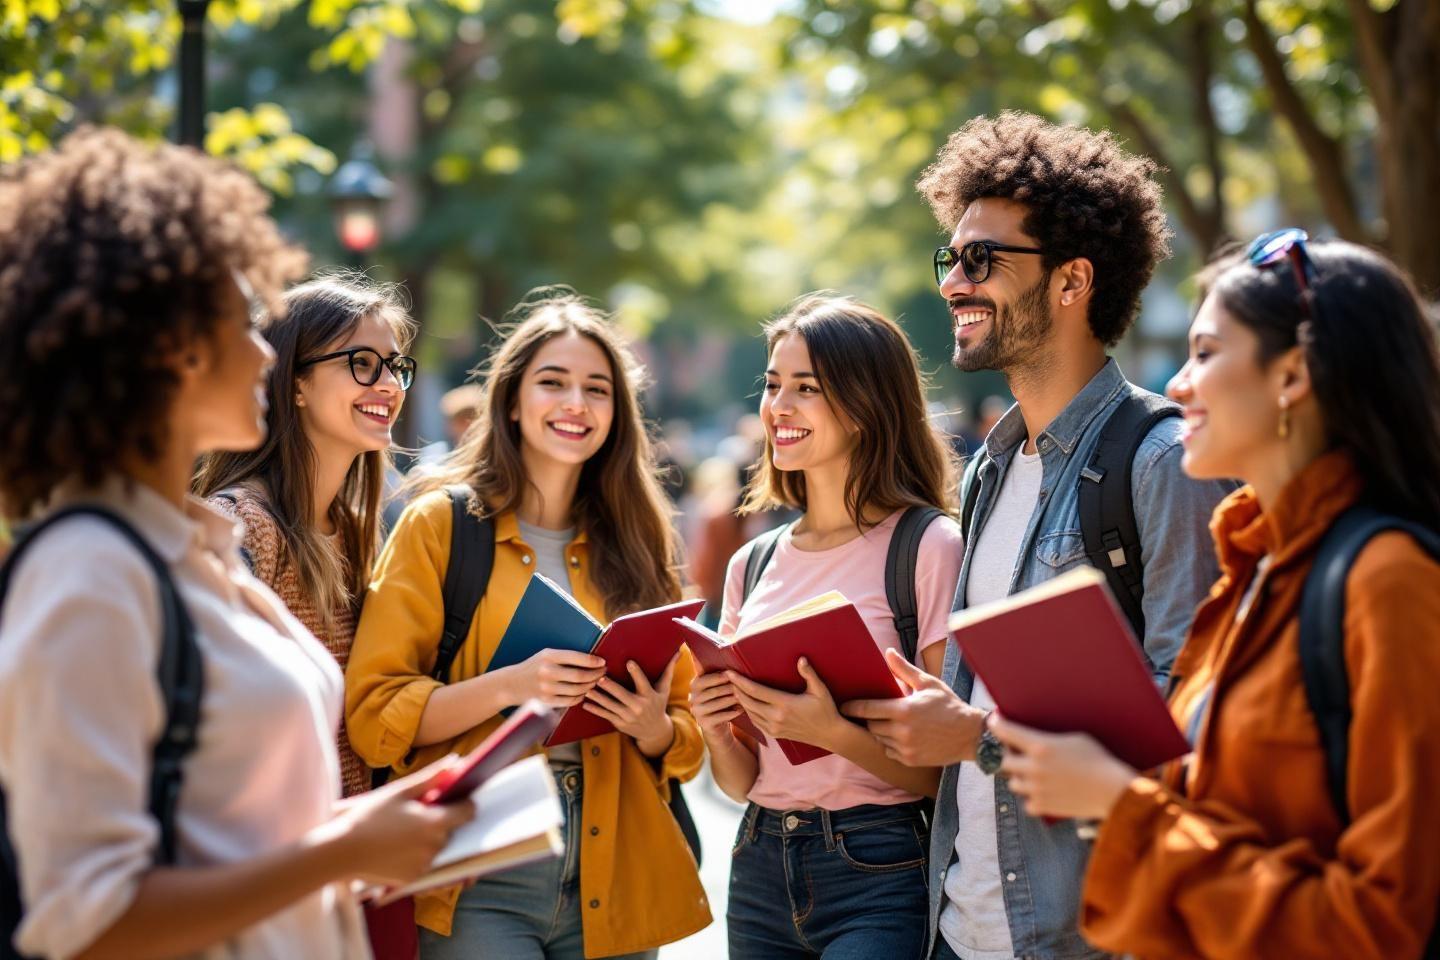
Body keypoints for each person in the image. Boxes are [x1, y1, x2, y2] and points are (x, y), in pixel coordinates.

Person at [0, 127, 470, 960]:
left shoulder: (195, 549)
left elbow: (240, 829)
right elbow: (86, 918)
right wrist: (349, 851)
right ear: (164, 351)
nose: (263, 350)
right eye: (238, 322)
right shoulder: (91, 573)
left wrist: (393, 824)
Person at [842, 111, 1234, 960]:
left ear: (1071, 282)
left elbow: (1198, 739)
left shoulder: (1164, 463)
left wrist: (974, 739)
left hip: (1083, 937)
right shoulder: (988, 467)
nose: (953, 283)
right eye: (952, 257)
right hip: (961, 928)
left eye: (982, 259)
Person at [986, 235, 1440, 959]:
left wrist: (1118, 803)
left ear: (1291, 375)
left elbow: (1380, 925)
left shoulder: (1388, 583)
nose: (1178, 386)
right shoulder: (1251, 569)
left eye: (1205, 354)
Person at [345, 290, 710, 960]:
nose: (576, 403)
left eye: (597, 389)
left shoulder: (640, 542)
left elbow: (686, 743)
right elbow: (375, 717)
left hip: (618, 864)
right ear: (512, 400)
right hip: (479, 862)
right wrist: (513, 686)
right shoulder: (442, 525)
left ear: (616, 414)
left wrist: (651, 726)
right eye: (553, 383)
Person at [689, 294, 964, 959]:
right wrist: (713, 727)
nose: (777, 407)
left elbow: (943, 777)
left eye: (806, 388)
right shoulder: (751, 564)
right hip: (757, 865)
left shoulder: (928, 548)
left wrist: (829, 733)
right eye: (773, 384)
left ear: (866, 403)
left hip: (880, 866)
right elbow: (741, 781)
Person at [195, 274, 418, 800]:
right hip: (268, 855)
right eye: (362, 364)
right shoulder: (239, 527)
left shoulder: (360, 532)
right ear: (294, 382)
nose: (388, 385)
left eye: (396, 367)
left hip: (348, 860)